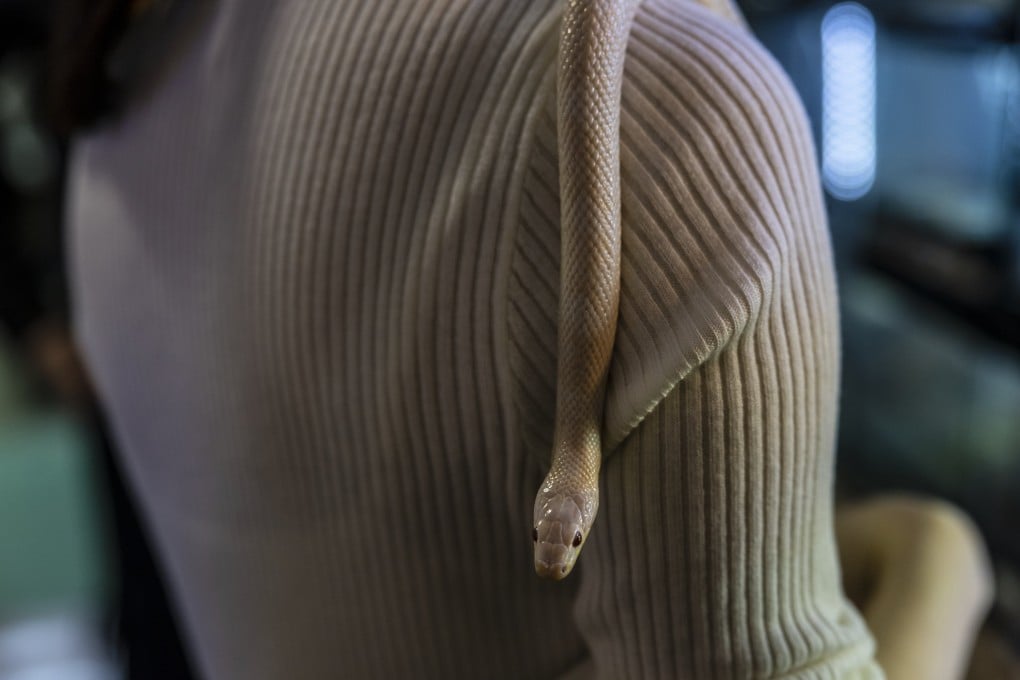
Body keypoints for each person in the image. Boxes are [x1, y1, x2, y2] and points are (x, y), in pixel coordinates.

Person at [54, 0, 991, 677]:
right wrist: (939, 555)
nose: (559, 543)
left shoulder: (109, 114)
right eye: (566, 532)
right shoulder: (674, 111)